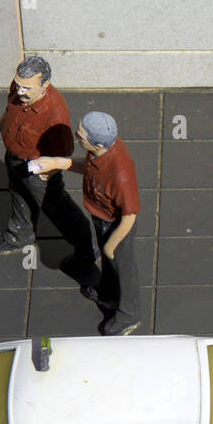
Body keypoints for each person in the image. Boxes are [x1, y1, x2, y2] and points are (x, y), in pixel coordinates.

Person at [29, 111, 141, 335]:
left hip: (116, 225)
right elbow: (88, 168)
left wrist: (112, 243)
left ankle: (129, 315)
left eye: (80, 137)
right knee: (110, 264)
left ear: (97, 143)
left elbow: (130, 215)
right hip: (102, 218)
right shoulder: (99, 153)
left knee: (123, 269)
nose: (76, 138)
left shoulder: (120, 174)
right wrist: (56, 163)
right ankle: (108, 294)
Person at [0, 55, 94, 268]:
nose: (20, 91)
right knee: (18, 196)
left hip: (38, 169)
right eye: (19, 85)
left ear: (45, 85)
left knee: (58, 209)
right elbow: (9, 113)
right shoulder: (18, 89)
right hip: (14, 159)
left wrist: (46, 173)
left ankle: (87, 249)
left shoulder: (55, 114)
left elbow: (64, 151)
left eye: (27, 88)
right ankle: (19, 235)